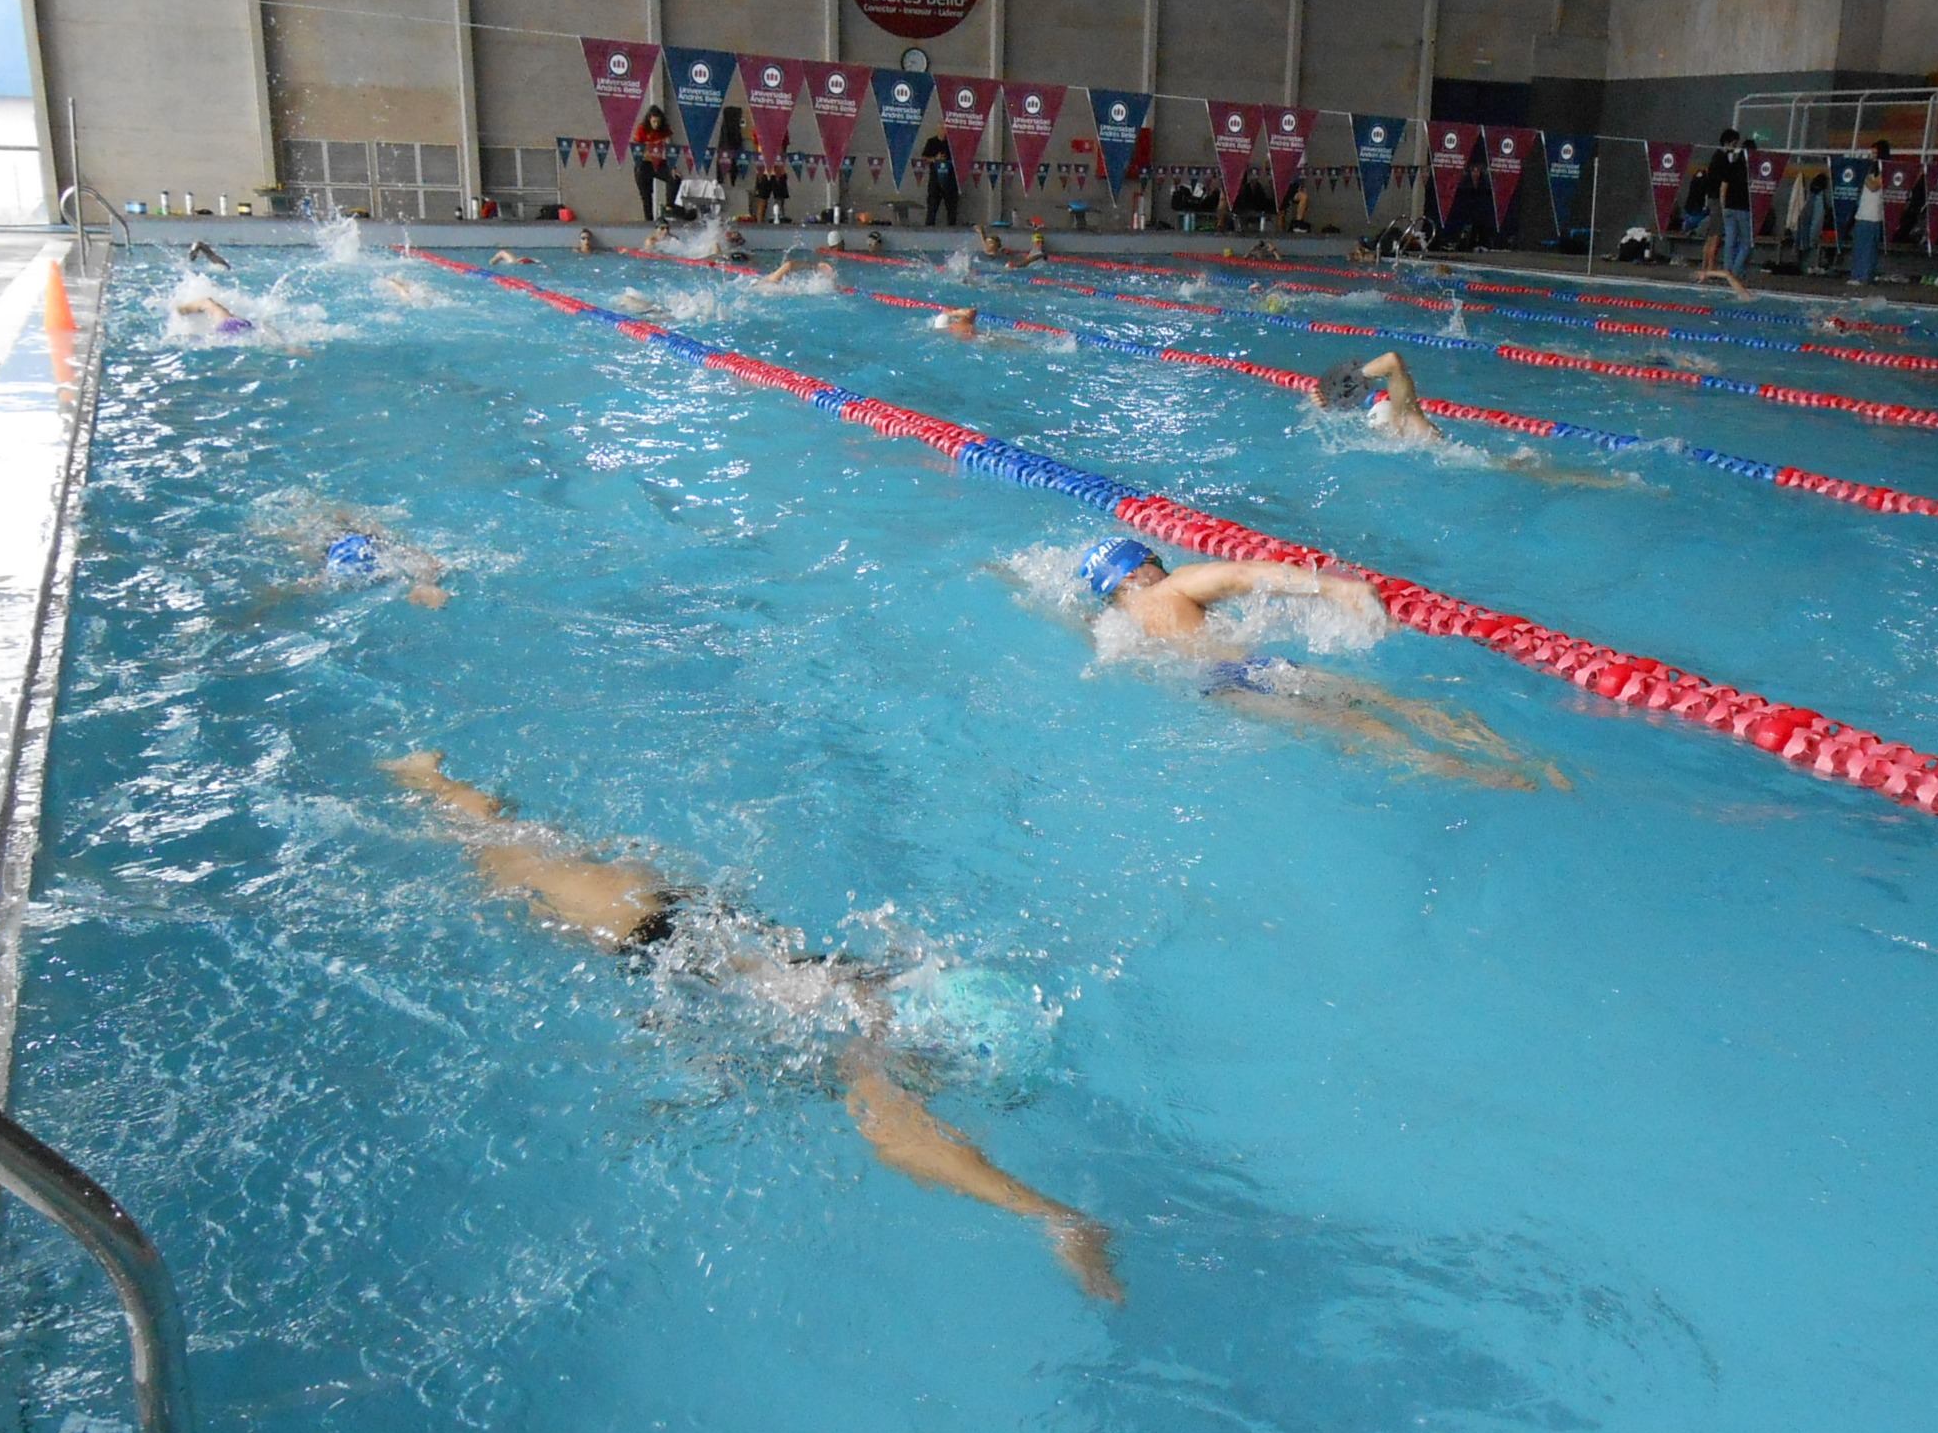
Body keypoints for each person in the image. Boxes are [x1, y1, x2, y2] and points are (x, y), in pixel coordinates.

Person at [382, 751, 1122, 1300]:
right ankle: (422, 774)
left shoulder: (877, 982)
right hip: (640, 927)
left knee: (514, 839)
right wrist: (1051, 1215)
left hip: (685, 920)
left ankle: (439, 782)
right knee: (488, 847)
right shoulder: (871, 1043)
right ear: (930, 1048)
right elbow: (902, 1140)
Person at [1071, 541, 1557, 790]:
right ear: (1138, 568)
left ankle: (1459, 773)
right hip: (1257, 669)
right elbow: (1242, 575)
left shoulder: (1117, 619)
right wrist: (1338, 588)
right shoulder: (1175, 584)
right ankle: (1522, 762)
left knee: (1360, 732)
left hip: (1217, 690)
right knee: (1394, 704)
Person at [322, 526, 447, 607]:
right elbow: (429, 562)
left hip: (347, 556)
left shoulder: (337, 568)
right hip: (366, 546)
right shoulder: (373, 542)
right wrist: (426, 584)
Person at [1707, 129, 1754, 281]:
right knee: (1746, 243)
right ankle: (1734, 272)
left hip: (1728, 207)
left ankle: (1726, 270)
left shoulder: (1732, 165)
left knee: (1729, 241)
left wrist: (1723, 205)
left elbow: (1724, 186)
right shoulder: (1751, 170)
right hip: (1742, 208)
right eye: (1734, 143)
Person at [1848, 138, 1891, 285]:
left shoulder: (1886, 170)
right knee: (1859, 247)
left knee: (1868, 249)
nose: (1872, 156)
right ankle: (1857, 274)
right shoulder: (1872, 169)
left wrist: (1862, 175)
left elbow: (1874, 187)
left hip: (1873, 215)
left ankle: (1864, 276)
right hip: (1862, 213)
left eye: (1874, 153)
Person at [632, 108, 681, 223]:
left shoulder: (665, 130)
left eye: (658, 122)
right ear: (649, 120)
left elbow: (670, 149)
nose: (656, 124)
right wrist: (649, 153)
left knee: (675, 178)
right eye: (654, 122)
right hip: (644, 164)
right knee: (646, 195)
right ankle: (648, 220)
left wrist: (673, 167)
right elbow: (637, 150)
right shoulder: (642, 129)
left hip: (659, 162)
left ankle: (669, 207)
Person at [920, 135, 963, 228]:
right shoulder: (931, 141)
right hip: (935, 180)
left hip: (951, 180)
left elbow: (962, 158)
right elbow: (924, 159)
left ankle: (952, 230)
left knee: (952, 209)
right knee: (932, 207)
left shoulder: (953, 142)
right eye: (942, 128)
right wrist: (935, 159)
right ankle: (928, 228)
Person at [173, 294, 254, 336]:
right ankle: (181, 309)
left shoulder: (230, 323)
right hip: (239, 329)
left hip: (231, 326)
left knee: (207, 302)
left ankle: (179, 309)